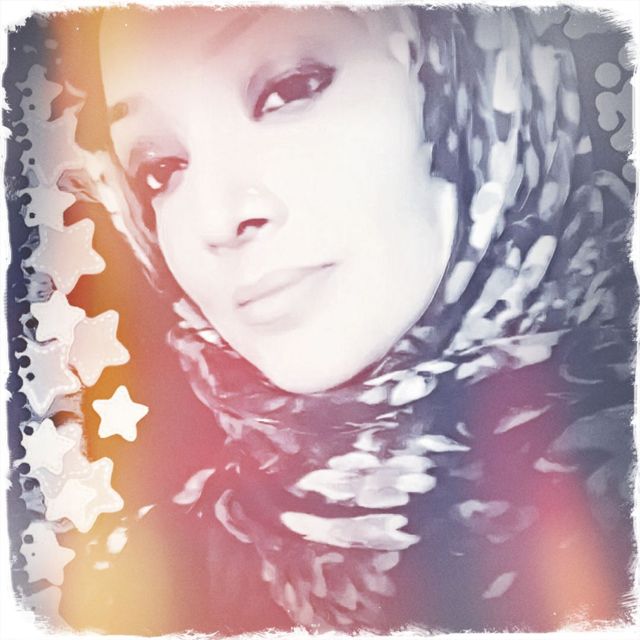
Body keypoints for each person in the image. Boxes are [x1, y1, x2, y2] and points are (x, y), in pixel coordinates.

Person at [46, 4, 635, 635]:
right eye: (161, 169)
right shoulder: (126, 590)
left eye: (289, 90)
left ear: (445, 70)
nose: (217, 218)